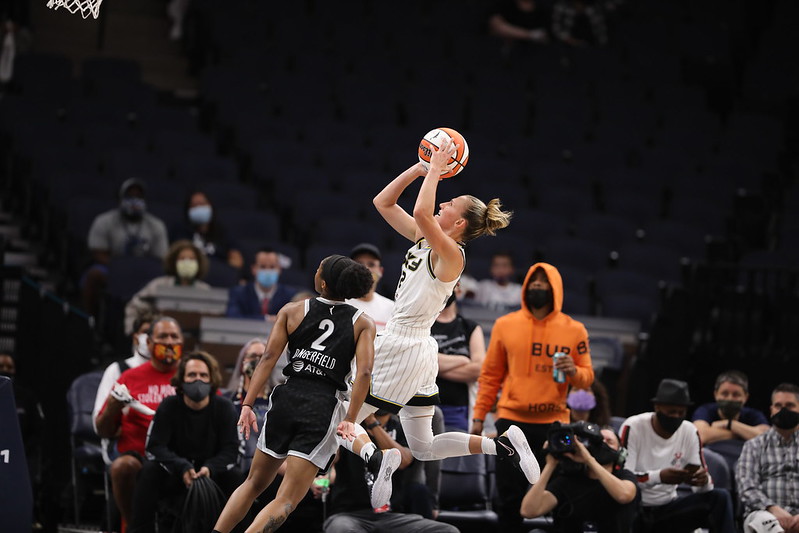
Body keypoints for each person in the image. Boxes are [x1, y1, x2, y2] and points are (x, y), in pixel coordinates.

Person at [337, 140, 539, 513]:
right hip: (419, 350)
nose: (442, 203)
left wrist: (435, 168)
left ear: (459, 222)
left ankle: (377, 459)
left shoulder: (452, 254)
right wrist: (419, 168)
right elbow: (383, 203)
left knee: (339, 416)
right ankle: (504, 444)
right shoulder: (424, 239)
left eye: (450, 204)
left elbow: (422, 211)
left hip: (402, 345)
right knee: (424, 447)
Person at [213, 254, 378, 533]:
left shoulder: (291, 311)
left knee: (253, 483)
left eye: (318, 268)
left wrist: (248, 403)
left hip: (287, 398)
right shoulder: (363, 322)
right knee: (287, 498)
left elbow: (267, 359)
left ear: (323, 283)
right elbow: (364, 373)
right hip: (322, 406)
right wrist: (351, 418)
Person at [471, 261, 594, 532]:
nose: (537, 285)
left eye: (544, 281)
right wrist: (479, 417)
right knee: (508, 498)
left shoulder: (575, 330)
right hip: (512, 421)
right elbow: (490, 376)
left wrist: (574, 371)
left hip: (555, 423)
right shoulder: (506, 324)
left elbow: (587, 378)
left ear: (556, 289)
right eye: (533, 280)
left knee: (560, 495)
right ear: (525, 286)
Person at [128, 351, 241, 533]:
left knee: (235, 477)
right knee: (149, 472)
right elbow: (155, 447)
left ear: (212, 379)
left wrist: (210, 468)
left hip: (211, 475)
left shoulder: (225, 408)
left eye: (203, 375)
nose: (198, 380)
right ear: (181, 380)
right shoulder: (169, 405)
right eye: (192, 375)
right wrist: (181, 466)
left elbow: (231, 450)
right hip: (176, 473)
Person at [94, 317, 183, 529]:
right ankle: (134, 527)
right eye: (162, 337)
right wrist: (113, 407)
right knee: (122, 467)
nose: (169, 343)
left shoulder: (191, 374)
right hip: (139, 459)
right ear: (149, 343)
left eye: (174, 337)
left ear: (182, 343)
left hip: (181, 458)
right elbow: (103, 430)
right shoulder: (128, 377)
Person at [619, 378, 736, 533]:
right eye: (671, 412)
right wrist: (659, 477)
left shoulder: (689, 431)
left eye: (681, 413)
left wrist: (702, 481)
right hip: (635, 508)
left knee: (720, 497)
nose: (676, 417)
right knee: (633, 495)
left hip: (668, 508)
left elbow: (703, 489)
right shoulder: (633, 426)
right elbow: (624, 480)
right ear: (657, 407)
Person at [323, 410, 457, 533]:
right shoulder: (351, 427)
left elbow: (404, 460)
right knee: (341, 528)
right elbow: (329, 458)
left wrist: (373, 423)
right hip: (349, 514)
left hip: (391, 515)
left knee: (447, 530)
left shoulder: (401, 427)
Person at [520, 424, 640, 533]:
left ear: (620, 452)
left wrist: (589, 460)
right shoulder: (568, 480)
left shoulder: (624, 476)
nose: (602, 444)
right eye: (598, 440)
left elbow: (624, 495)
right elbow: (529, 511)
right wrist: (551, 464)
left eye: (609, 441)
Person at [82, 178, 169, 316]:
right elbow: (98, 252)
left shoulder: (156, 225)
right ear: (121, 198)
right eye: (130, 196)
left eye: (139, 197)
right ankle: (91, 320)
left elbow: (160, 258)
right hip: (111, 267)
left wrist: (136, 270)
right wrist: (122, 268)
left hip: (145, 271)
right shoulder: (104, 221)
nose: (134, 201)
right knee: (94, 275)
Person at [736, 382, 799, 533]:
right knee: (765, 522)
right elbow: (746, 486)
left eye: (790, 405)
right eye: (778, 405)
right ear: (771, 410)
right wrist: (772, 508)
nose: (783, 410)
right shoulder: (754, 445)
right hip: (763, 513)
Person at [92, 312, 154, 463]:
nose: (151, 337)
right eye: (146, 332)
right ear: (135, 337)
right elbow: (98, 424)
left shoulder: (175, 373)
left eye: (156, 333)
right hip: (127, 449)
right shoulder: (119, 370)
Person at [123, 239, 210, 335]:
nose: (187, 262)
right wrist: (135, 331)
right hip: (160, 338)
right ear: (173, 262)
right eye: (182, 259)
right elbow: (134, 306)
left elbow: (213, 321)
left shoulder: (205, 290)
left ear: (199, 263)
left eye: (192, 259)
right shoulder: (159, 285)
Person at [432, 283, 486, 431]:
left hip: (458, 411)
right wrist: (462, 360)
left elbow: (478, 370)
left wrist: (433, 365)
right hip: (424, 406)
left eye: (450, 284)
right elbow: (415, 360)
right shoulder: (423, 324)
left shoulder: (470, 327)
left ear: (459, 289)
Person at [692, 369, 769, 468]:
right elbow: (701, 436)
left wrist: (729, 424)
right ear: (716, 394)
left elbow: (767, 440)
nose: (730, 398)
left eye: (736, 395)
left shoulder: (754, 415)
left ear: (745, 397)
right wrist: (745, 434)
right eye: (724, 393)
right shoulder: (705, 410)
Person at [170, 189, 244, 270]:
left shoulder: (222, 232)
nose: (199, 208)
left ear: (210, 206)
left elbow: (237, 261)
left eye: (202, 204)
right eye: (194, 206)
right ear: (188, 211)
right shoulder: (180, 231)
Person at [226, 248, 299, 320]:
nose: (267, 271)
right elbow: (232, 316)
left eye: (272, 267)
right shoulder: (239, 293)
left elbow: (294, 320)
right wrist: (266, 319)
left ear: (279, 269)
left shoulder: (290, 295)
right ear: (253, 269)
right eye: (263, 266)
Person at [345, 242, 394, 333]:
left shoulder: (392, 309)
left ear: (381, 271)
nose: (365, 268)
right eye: (359, 264)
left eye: (371, 264)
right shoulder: (338, 303)